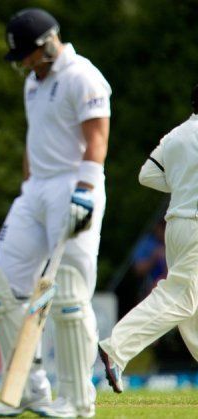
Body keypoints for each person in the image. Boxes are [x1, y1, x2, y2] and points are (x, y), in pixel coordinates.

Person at [0, 8, 111, 418]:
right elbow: (34, 139)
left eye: (25, 55)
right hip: (35, 190)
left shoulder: (83, 75)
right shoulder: (34, 85)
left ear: (48, 44)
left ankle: (77, 401)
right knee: (2, 286)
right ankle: (29, 390)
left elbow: (97, 138)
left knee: (70, 295)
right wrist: (27, 187)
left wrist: (86, 192)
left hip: (74, 185)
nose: (22, 64)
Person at [98, 84, 198, 395]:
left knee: (192, 307)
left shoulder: (177, 134)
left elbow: (147, 175)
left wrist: (183, 185)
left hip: (177, 227)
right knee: (180, 296)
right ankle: (117, 347)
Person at [132, 219, 167, 301]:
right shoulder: (147, 243)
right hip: (150, 289)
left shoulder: (175, 242)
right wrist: (154, 257)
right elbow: (138, 269)